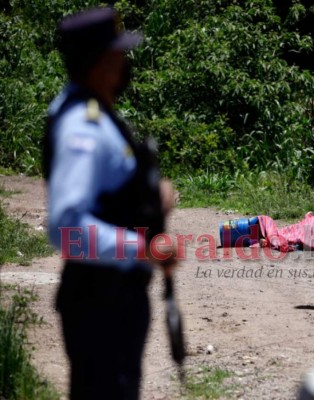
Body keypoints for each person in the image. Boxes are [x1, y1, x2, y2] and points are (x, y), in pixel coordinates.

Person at [43, 7, 178, 400]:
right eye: (117, 54)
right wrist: (144, 248)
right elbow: (67, 228)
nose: (124, 63)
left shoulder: (94, 112)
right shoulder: (82, 126)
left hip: (110, 297)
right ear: (99, 62)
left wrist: (151, 198)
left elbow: (109, 193)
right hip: (102, 303)